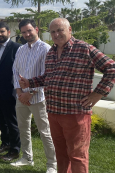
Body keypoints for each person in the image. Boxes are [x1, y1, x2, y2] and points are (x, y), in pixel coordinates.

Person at [19, 18, 115, 173]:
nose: (56, 34)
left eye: (60, 30)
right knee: (61, 155)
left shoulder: (84, 49)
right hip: (54, 112)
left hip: (76, 113)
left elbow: (111, 68)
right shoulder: (51, 52)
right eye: (53, 32)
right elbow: (48, 78)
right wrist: (29, 82)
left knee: (77, 156)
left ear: (69, 29)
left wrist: (97, 94)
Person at [12, 19, 56, 173]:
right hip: (21, 97)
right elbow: (15, 72)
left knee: (45, 132)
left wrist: (30, 93)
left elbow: (47, 75)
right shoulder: (21, 49)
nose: (27, 34)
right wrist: (19, 93)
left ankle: (52, 165)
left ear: (36, 29)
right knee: (23, 129)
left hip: (38, 98)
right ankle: (27, 158)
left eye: (29, 30)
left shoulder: (46, 49)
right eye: (24, 32)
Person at [0, 22, 21, 161]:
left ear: (8, 32)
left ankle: (15, 149)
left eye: (2, 31)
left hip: (9, 90)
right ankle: (5, 143)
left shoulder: (17, 48)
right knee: (1, 119)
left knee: (11, 121)